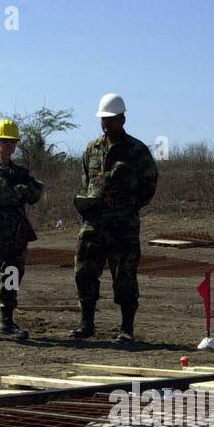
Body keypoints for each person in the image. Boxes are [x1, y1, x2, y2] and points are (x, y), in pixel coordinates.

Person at [68, 93, 158, 343]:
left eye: (110, 119)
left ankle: (126, 329)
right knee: (84, 273)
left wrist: (127, 208)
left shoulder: (137, 150)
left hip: (123, 227)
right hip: (93, 225)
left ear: (122, 119)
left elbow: (149, 186)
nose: (105, 124)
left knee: (124, 277)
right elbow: (87, 181)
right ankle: (86, 325)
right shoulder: (91, 149)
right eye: (102, 120)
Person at [0, 118, 43, 340]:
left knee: (12, 276)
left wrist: (19, 189)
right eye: (5, 141)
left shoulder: (18, 171)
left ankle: (7, 321)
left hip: (16, 234)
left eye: (13, 142)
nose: (10, 146)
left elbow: (36, 192)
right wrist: (22, 190)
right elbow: (0, 193)